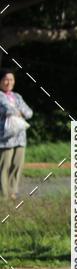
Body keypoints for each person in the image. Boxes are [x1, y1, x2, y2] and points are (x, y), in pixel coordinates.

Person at [0, 69, 33, 199]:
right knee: (4, 166)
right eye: (6, 79)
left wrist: (18, 111)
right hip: (5, 138)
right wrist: (19, 111)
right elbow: (8, 108)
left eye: (11, 79)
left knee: (17, 165)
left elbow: (29, 113)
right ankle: (3, 195)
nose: (9, 82)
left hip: (20, 137)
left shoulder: (17, 96)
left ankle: (12, 192)